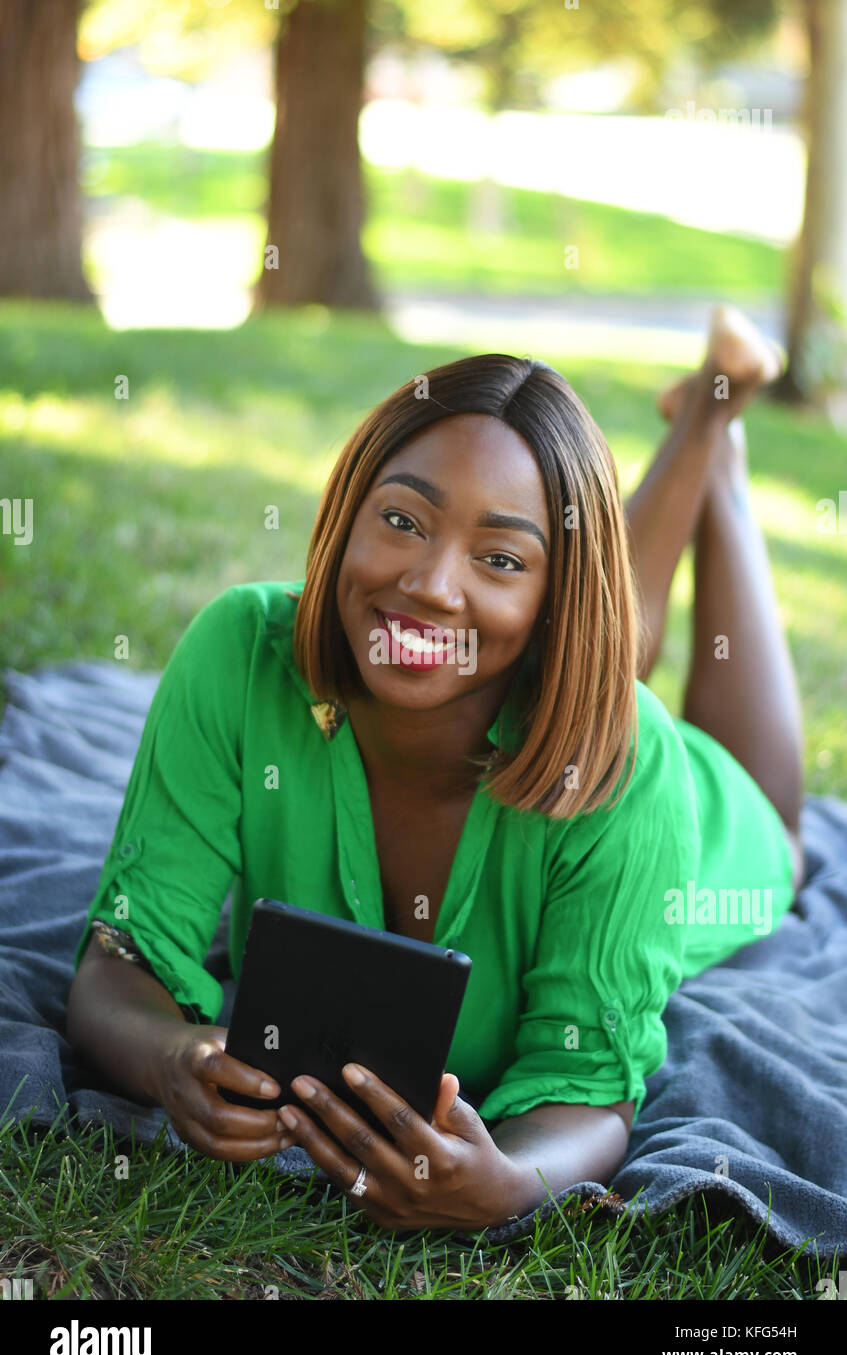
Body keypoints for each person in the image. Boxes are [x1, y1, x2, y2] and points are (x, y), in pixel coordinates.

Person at [66, 306, 805, 1232]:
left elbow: (588, 1092)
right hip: (532, 680)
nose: (429, 582)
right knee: (579, 648)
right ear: (346, 513)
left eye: (499, 556)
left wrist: (510, 1183)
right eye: (403, 520)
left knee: (781, 825)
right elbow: (119, 961)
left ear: (550, 600)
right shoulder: (241, 653)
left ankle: (712, 432)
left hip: (705, 821)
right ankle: (694, 428)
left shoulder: (631, 768)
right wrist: (167, 1056)